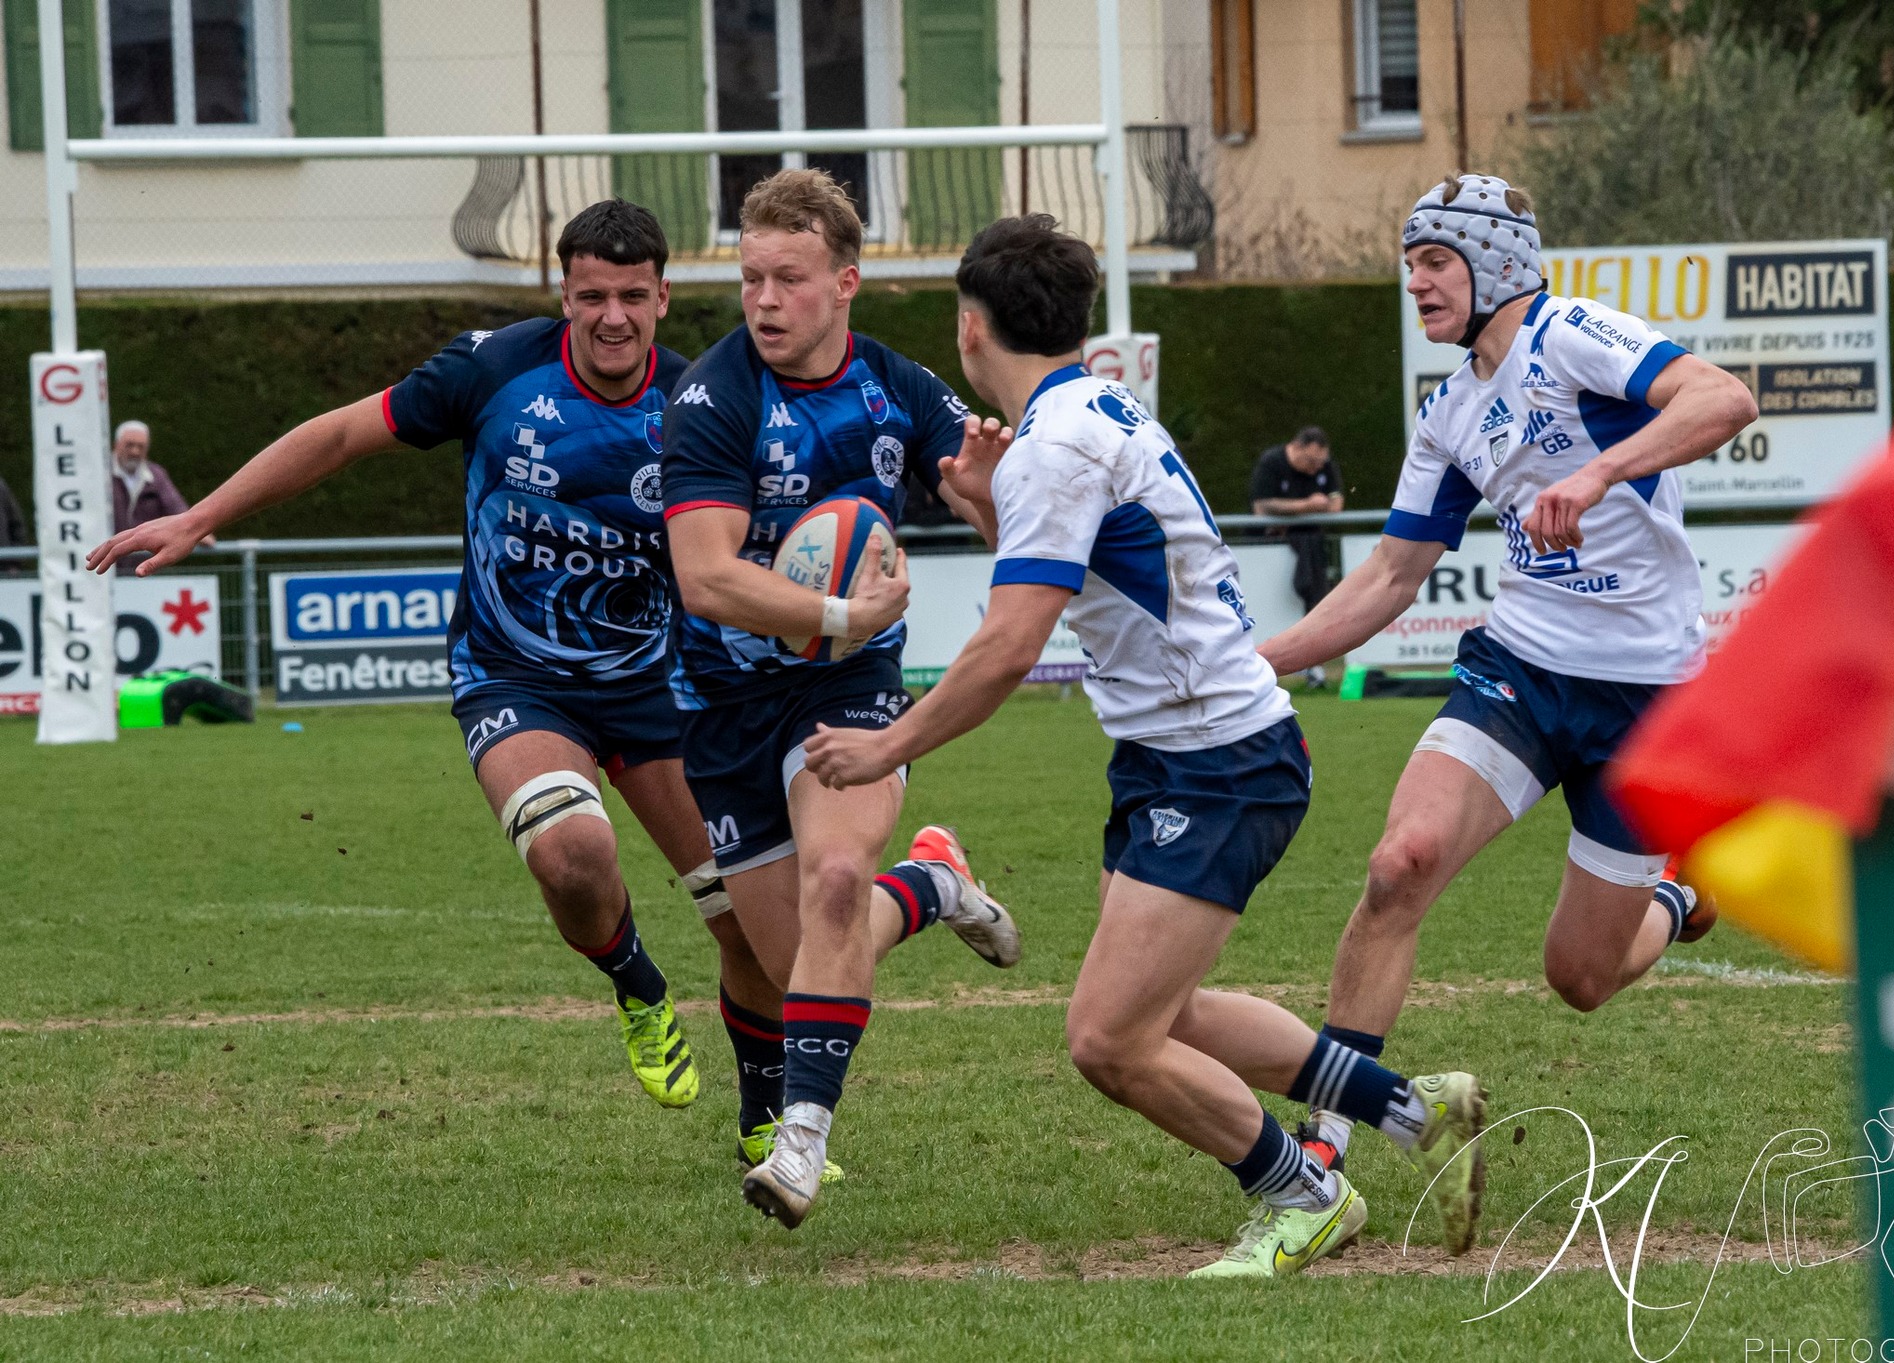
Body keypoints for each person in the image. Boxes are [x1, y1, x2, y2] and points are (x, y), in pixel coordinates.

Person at [803, 213, 1490, 1276]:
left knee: (1109, 1038)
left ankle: (1304, 1194)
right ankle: (1409, 1109)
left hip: (1215, 761)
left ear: (971, 327)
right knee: (1169, 1011)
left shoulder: (1055, 444)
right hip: (1183, 753)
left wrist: (884, 743)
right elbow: (1079, 578)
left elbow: (1008, 645)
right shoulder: (1083, 417)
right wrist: (985, 503)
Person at [86, 200, 785, 1129]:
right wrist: (202, 513)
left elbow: (752, 550)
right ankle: (637, 983)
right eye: (591, 296)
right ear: (564, 295)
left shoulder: (701, 408)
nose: (611, 316)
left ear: (663, 297)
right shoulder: (495, 368)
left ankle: (772, 1128)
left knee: (749, 920)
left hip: (659, 688)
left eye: (631, 296)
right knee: (575, 855)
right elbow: (341, 434)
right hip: (516, 679)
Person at [1258, 174, 1755, 1165]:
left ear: (1494, 264)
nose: (1415, 283)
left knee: (1581, 977)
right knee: (1398, 864)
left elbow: (1723, 397)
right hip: (1519, 670)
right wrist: (1247, 664)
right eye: (1408, 265)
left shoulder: (1568, 335)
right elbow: (1390, 577)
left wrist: (1598, 469)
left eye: (1434, 262)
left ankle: (1673, 896)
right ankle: (1325, 1144)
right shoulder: (1448, 412)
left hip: (1645, 699)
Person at [663, 168, 1022, 1230]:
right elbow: (705, 576)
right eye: (750, 279)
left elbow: (1001, 525)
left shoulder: (898, 387)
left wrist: (988, 488)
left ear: (846, 282)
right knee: (806, 968)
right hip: (728, 700)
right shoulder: (713, 399)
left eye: (790, 278)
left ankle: (801, 1142)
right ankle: (932, 884)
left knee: (831, 882)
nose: (765, 300)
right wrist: (834, 611)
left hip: (852, 685)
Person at [1249, 427, 1343, 687]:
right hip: (1267, 551)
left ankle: (1313, 668)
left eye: (1320, 463)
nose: (1316, 469)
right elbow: (1261, 507)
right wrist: (1308, 506)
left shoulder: (1325, 465)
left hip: (1311, 548)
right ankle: (1258, 667)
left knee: (1313, 597)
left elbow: (1336, 505)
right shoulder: (1271, 462)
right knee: (1269, 608)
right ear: (1297, 447)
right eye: (1311, 462)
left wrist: (1292, 513)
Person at [110, 420, 213, 571]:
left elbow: (174, 505)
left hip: (145, 565)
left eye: (141, 446)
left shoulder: (156, 475)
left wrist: (196, 529)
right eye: (129, 445)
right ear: (116, 445)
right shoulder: (100, 473)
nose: (135, 451)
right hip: (107, 566)